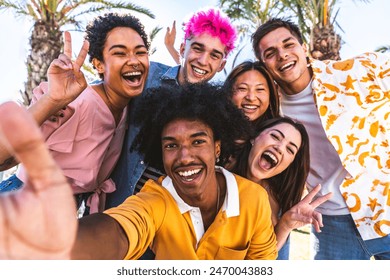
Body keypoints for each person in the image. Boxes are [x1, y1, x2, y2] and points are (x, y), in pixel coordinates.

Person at [0, 83, 278, 260]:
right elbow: (121, 229)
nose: (184, 156)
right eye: (171, 145)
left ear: (217, 148)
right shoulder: (156, 198)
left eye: (197, 141)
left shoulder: (253, 199)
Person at [252, 17, 390, 259]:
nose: (282, 55)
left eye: (288, 45)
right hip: (331, 223)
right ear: (264, 66)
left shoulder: (356, 72)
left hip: (383, 206)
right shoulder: (270, 111)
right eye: (271, 53)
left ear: (303, 48)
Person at [0, 13, 150, 215]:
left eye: (140, 52)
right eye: (120, 53)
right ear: (98, 65)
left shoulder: (127, 107)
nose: (133, 61)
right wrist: (53, 100)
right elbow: (5, 158)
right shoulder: (77, 103)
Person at [106, 7, 238, 208]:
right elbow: (105, 93)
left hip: (168, 220)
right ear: (183, 48)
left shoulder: (218, 111)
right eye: (198, 48)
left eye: (214, 55)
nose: (203, 61)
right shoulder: (147, 77)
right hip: (119, 203)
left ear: (221, 65)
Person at [229, 117, 331, 259]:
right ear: (254, 138)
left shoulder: (269, 200)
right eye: (275, 136)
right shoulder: (216, 175)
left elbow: (261, 260)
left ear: (289, 164)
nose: (279, 148)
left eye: (290, 149)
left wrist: (285, 225)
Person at [223, 60, 280, 130]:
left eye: (260, 89)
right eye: (242, 88)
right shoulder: (213, 129)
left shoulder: (279, 132)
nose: (251, 98)